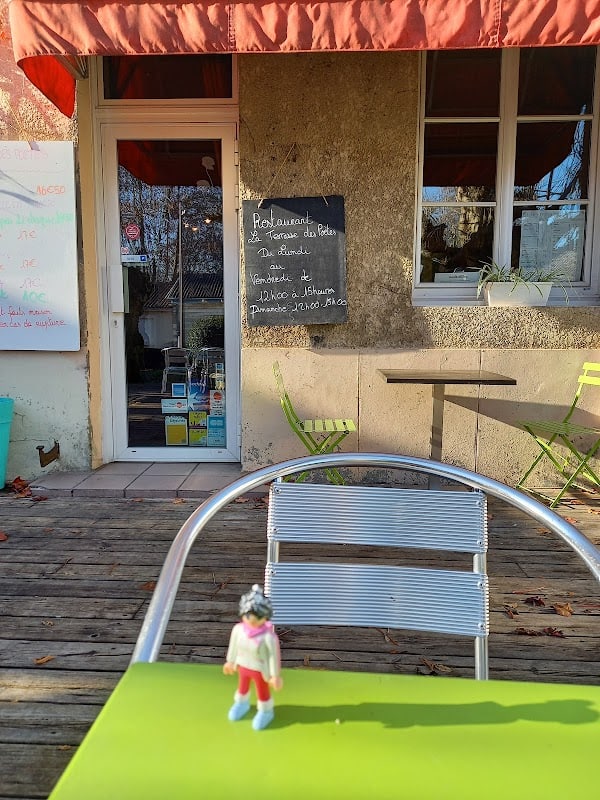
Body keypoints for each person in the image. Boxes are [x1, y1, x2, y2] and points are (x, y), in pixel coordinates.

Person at [223, 584, 283, 730]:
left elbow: (273, 657)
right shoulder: (238, 630)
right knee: (242, 686)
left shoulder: (268, 637)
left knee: (262, 690)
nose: (252, 620)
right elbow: (234, 647)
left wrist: (275, 675)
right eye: (249, 615)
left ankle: (266, 711)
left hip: (260, 669)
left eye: (258, 616)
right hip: (242, 665)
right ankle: (241, 703)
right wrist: (230, 662)